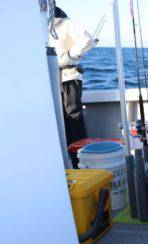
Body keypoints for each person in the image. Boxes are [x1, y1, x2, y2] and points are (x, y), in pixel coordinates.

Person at [48, 3, 97, 146]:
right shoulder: (42, 26)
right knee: (61, 119)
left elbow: (87, 40)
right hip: (52, 79)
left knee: (72, 117)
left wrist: (69, 55)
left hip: (69, 78)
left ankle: (79, 160)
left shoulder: (67, 24)